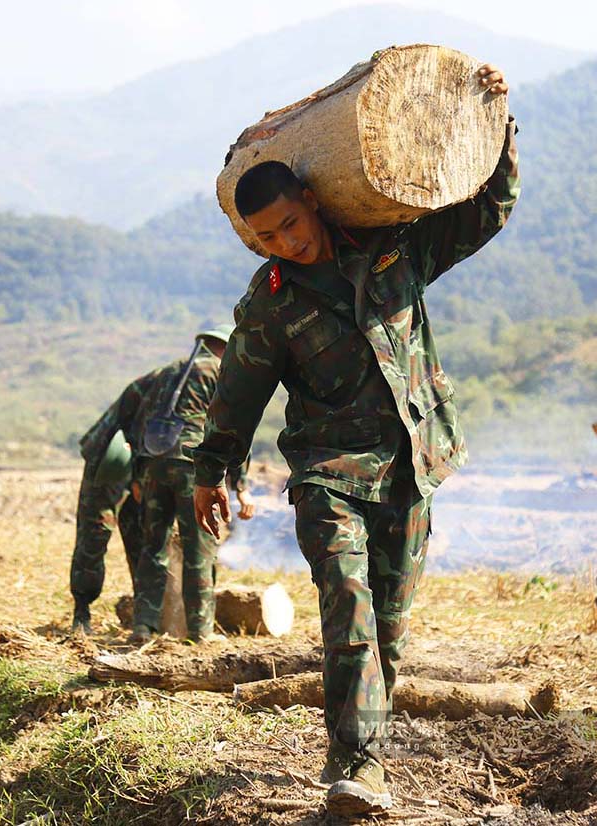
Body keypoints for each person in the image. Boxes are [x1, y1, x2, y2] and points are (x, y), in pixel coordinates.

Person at [193, 65, 519, 815]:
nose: (285, 244)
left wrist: (500, 124)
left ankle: (367, 748)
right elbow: (237, 394)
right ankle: (357, 765)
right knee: (349, 611)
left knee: (392, 628)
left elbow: (489, 210)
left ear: (311, 200)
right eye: (267, 238)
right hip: (329, 475)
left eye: (292, 225)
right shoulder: (270, 305)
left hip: (411, 465)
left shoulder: (393, 250)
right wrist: (215, 470)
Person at [130, 326, 255, 644]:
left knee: (153, 547)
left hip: (155, 463)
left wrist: (138, 472)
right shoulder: (220, 371)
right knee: (200, 546)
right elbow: (234, 427)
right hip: (192, 467)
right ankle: (201, 633)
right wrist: (241, 485)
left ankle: (143, 627)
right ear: (223, 348)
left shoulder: (169, 371)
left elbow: (141, 420)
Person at [70, 366, 167, 634]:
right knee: (95, 533)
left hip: (144, 464)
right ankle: (82, 613)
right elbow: (140, 427)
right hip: (110, 460)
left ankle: (145, 615)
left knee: (142, 535)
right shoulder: (170, 379)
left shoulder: (206, 382)